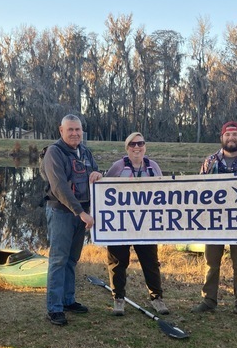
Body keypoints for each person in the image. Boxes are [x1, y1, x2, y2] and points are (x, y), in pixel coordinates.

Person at [193, 121, 237, 319]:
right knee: (211, 263)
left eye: (235, 135)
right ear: (222, 138)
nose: (231, 138)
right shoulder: (210, 162)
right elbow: (198, 190)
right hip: (214, 221)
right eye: (228, 135)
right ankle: (208, 300)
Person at [40, 114, 102, 326]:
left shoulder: (85, 151)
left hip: (81, 214)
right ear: (61, 130)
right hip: (62, 213)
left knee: (71, 260)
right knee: (58, 259)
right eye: (70, 130)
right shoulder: (53, 153)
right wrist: (80, 212)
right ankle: (54, 308)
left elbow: (94, 170)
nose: (75, 133)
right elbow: (59, 187)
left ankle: (68, 300)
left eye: (78, 129)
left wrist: (97, 174)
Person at [104, 132, 168, 317]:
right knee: (117, 262)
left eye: (140, 143)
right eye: (132, 144)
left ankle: (157, 298)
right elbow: (104, 190)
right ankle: (118, 298)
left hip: (145, 224)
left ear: (145, 146)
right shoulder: (118, 167)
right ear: (127, 148)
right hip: (120, 223)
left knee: (150, 262)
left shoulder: (153, 167)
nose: (136, 147)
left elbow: (164, 192)